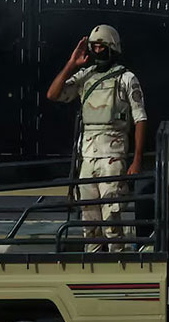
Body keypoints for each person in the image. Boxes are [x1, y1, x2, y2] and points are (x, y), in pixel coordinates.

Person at [46, 24, 147, 250]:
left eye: (101, 47)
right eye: (94, 47)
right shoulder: (86, 76)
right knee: (90, 225)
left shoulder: (126, 78)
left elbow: (140, 119)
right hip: (87, 159)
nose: (97, 52)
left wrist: (137, 160)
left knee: (111, 223)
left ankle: (117, 266)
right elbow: (53, 94)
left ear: (112, 48)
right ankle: (93, 271)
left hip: (113, 158)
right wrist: (72, 64)